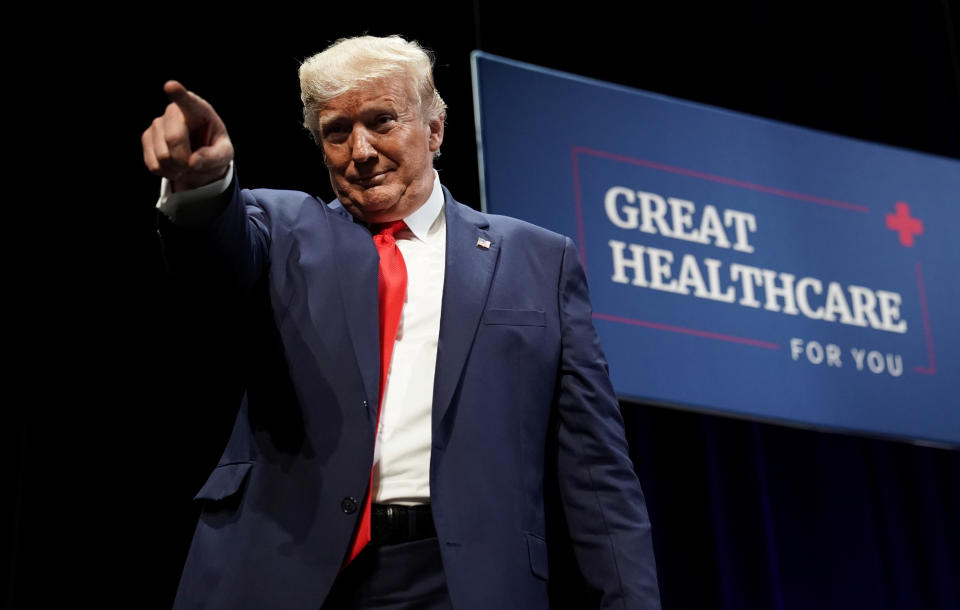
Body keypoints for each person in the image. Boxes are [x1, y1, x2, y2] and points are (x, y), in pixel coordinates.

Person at [143, 35, 660, 610]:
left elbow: (597, 474)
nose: (360, 150)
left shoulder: (537, 260)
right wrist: (203, 187)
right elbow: (215, 260)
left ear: (434, 129)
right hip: (285, 566)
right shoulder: (281, 227)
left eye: (382, 121)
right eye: (337, 132)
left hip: (457, 580)